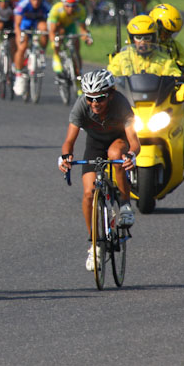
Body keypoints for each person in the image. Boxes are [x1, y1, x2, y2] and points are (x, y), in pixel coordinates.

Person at [58, 69, 140, 271]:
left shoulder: (121, 104)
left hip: (118, 141)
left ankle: (124, 205)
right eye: (90, 98)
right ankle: (94, 245)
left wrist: (131, 155)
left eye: (100, 98)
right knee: (88, 194)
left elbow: (134, 142)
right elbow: (69, 141)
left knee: (115, 156)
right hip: (94, 144)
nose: (95, 103)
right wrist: (66, 157)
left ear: (111, 94)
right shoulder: (81, 106)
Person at [107, 15, 182, 77]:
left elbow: (174, 74)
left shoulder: (164, 59)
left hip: (157, 95)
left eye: (147, 38)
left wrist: (176, 78)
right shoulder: (122, 58)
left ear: (153, 39)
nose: (142, 42)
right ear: (132, 39)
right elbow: (112, 73)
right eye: (138, 38)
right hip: (128, 95)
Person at [12, 0, 51, 96]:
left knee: (44, 28)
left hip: (38, 23)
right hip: (25, 24)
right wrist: (20, 37)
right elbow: (17, 25)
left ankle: (42, 51)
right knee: (22, 47)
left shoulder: (46, 5)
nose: (36, 2)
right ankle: (19, 75)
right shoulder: (23, 4)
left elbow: (51, 22)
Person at [48, 0, 93, 79]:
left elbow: (82, 29)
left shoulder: (81, 10)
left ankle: (78, 76)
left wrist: (87, 38)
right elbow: (52, 31)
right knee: (59, 34)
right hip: (58, 26)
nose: (70, 9)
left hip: (70, 27)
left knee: (76, 49)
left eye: (73, 6)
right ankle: (56, 57)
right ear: (63, 3)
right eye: (67, 5)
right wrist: (54, 42)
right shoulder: (56, 9)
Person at [148, 3, 184, 79]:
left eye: (171, 33)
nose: (167, 36)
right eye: (165, 32)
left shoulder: (175, 47)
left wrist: (182, 81)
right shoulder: (140, 44)